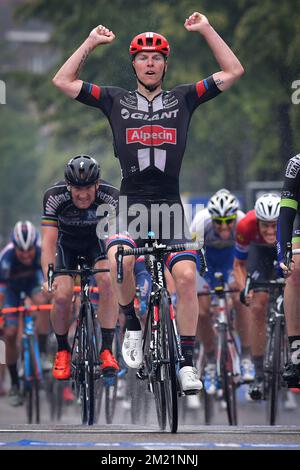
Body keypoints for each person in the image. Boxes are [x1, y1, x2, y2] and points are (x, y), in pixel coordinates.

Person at [52, 12, 244, 393]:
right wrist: (90, 42)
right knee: (120, 258)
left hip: (171, 206)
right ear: (134, 64)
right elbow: (62, 80)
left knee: (187, 279)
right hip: (130, 205)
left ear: (165, 64)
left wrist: (205, 29)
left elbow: (234, 70)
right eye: (143, 57)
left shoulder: (184, 97)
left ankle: (186, 365)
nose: (150, 62)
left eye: (157, 57)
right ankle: (132, 325)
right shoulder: (114, 100)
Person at [41, 155, 120, 379]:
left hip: (97, 242)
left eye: (88, 188)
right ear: (68, 186)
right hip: (66, 245)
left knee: (107, 281)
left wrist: (118, 269)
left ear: (97, 184)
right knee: (63, 294)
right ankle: (63, 349)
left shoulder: (111, 196)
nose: (83, 195)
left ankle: (106, 349)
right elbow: (48, 242)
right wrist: (48, 278)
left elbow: (115, 239)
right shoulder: (54, 196)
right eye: (77, 188)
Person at [190, 189, 254, 394]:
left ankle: (245, 356)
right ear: (212, 218)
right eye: (219, 222)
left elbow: (248, 259)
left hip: (231, 263)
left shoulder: (243, 223)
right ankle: (209, 362)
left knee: (240, 299)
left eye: (229, 221)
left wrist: (243, 284)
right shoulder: (200, 222)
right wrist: (204, 285)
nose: (224, 226)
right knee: (201, 311)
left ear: (235, 217)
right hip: (206, 264)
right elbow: (193, 258)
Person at [234, 193, 281, 399]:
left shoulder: (292, 222)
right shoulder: (245, 226)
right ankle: (259, 374)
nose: (270, 231)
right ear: (258, 222)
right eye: (265, 226)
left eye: (275, 225)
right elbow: (239, 266)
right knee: (258, 306)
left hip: (284, 251)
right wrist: (246, 288)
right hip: (259, 254)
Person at [0, 221, 48, 406]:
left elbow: (46, 281)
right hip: (11, 290)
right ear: (15, 246)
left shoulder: (41, 251)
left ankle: (42, 353)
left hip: (33, 283)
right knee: (10, 334)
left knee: (43, 303)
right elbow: (2, 292)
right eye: (22, 252)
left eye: (30, 251)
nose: (27, 255)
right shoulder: (6, 257)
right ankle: (14, 383)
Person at [277, 154, 300, 388]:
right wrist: (284, 252)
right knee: (295, 270)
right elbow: (286, 217)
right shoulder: (296, 164)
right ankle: (296, 349)